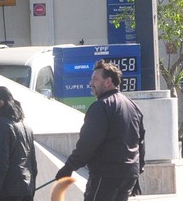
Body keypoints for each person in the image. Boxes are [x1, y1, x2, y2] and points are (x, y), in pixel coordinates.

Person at [55, 60, 146, 201]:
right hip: (129, 174)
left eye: (95, 79)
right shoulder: (133, 106)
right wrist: (138, 170)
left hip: (107, 174)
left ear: (108, 81)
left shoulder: (101, 106)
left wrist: (69, 167)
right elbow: (140, 142)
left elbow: (88, 143)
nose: (91, 83)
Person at [0, 85, 37, 201]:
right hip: (26, 191)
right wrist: (31, 191)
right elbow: (33, 164)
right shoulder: (26, 127)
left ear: (1, 103)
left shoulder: (0, 126)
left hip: (8, 193)